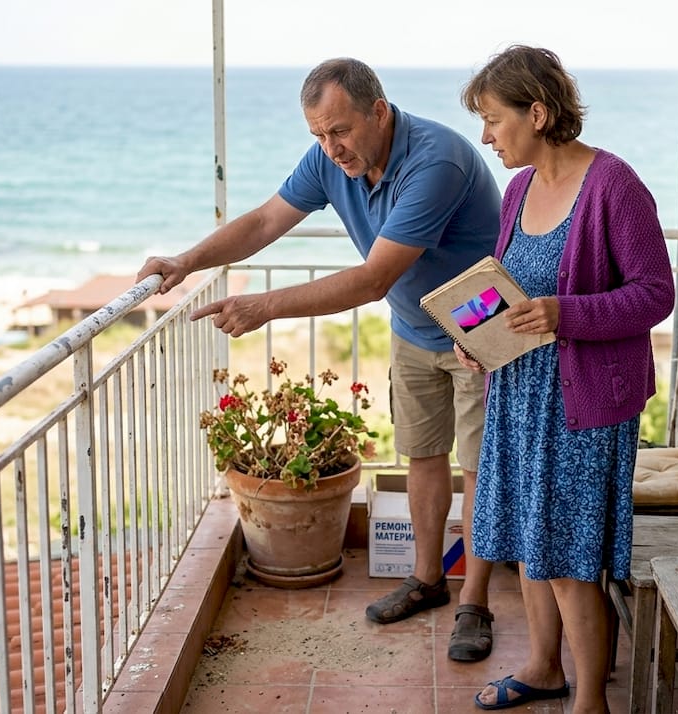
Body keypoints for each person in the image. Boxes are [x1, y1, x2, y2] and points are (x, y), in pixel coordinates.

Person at [135, 58, 503, 662]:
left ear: (379, 112)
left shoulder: (435, 159)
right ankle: (430, 580)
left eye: (340, 131)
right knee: (423, 458)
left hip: (480, 331)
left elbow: (373, 278)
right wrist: (186, 262)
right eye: (318, 136)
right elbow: (263, 220)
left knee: (478, 470)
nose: (330, 148)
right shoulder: (332, 158)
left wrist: (266, 306)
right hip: (416, 328)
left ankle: (476, 602)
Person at [456, 46, 675, 712]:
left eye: (494, 120)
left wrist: (565, 314)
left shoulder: (614, 186)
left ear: (539, 113)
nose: (486, 137)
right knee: (528, 540)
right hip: (518, 395)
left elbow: (655, 294)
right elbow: (505, 281)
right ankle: (544, 668)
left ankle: (590, 703)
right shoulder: (519, 189)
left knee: (572, 558)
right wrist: (474, 334)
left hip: (582, 407)